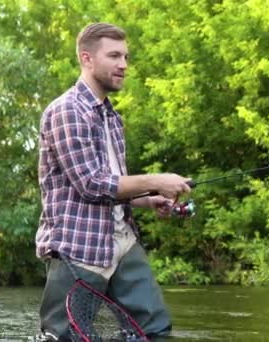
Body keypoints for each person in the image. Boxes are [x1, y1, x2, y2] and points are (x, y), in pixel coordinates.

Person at [35, 22, 191, 341]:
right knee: (64, 336)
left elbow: (113, 186)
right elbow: (92, 184)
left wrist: (148, 199)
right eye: (114, 56)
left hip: (122, 240)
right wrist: (157, 180)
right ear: (87, 59)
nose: (123, 65)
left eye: (126, 57)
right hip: (79, 247)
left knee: (156, 331)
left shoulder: (112, 117)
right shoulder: (67, 111)